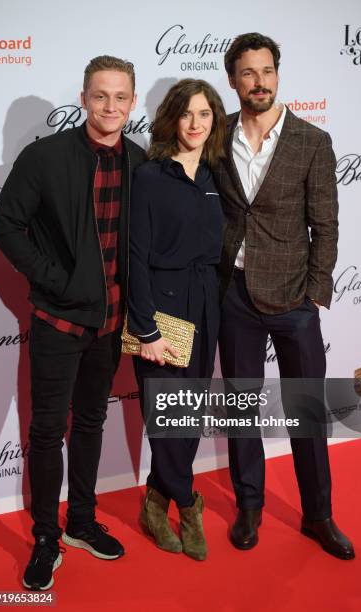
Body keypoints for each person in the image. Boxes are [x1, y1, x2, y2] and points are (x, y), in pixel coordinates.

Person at [0, 55, 146, 590]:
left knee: (90, 425)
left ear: (132, 101)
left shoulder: (139, 162)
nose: (110, 106)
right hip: (58, 321)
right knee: (45, 429)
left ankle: (80, 522)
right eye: (100, 96)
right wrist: (54, 280)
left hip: (109, 325)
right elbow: (6, 225)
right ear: (83, 99)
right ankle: (43, 535)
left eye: (120, 97)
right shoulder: (45, 156)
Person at [213, 33, 355, 559]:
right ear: (233, 80)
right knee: (242, 408)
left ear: (278, 73)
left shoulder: (311, 141)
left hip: (295, 298)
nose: (260, 82)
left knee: (305, 410)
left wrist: (315, 292)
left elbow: (326, 224)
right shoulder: (215, 135)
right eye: (248, 73)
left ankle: (318, 514)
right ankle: (249, 505)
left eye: (267, 71)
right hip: (234, 295)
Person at [127, 78, 226, 561]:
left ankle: (154, 502)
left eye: (204, 114)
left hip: (206, 303)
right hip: (161, 308)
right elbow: (134, 256)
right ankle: (189, 505)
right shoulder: (148, 176)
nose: (195, 124)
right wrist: (145, 328)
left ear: (215, 120)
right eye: (187, 114)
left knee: (188, 416)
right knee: (166, 417)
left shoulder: (216, 175)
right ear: (172, 118)